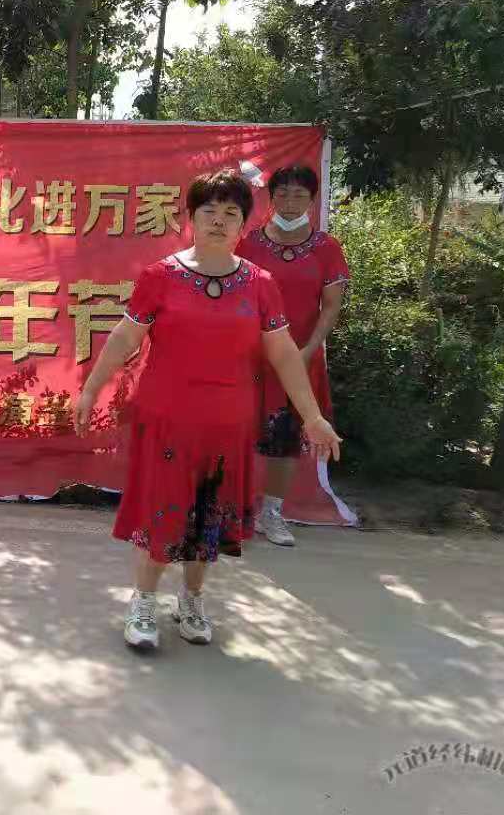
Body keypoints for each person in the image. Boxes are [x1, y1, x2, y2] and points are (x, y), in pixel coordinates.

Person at [74, 168, 340, 652]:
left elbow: (283, 354)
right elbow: (126, 338)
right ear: (191, 218)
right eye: (209, 211)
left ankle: (192, 600)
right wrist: (91, 389)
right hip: (167, 419)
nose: (219, 221)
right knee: (163, 512)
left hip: (228, 423)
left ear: (244, 224)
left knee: (207, 517)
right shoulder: (160, 277)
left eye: (230, 213)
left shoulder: (260, 283)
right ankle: (143, 601)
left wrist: (313, 416)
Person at [237, 164, 350, 546]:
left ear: (312, 200)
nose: (289, 202)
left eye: (299, 195)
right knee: (236, 431)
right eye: (282, 194)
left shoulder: (327, 248)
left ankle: (271, 513)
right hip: (250, 358)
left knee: (284, 438)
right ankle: (233, 510)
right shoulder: (249, 244)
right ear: (271, 198)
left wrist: (308, 351)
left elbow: (331, 307)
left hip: (300, 358)